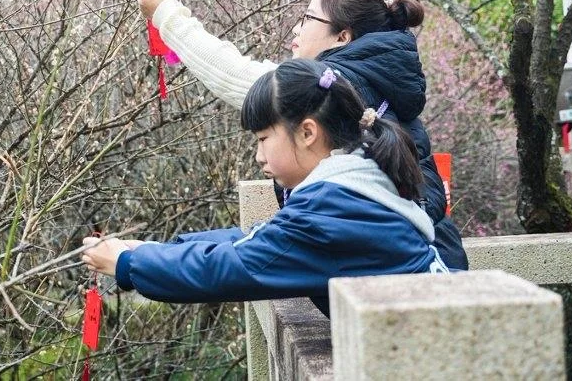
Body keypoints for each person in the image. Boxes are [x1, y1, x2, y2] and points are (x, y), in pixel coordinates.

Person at [134, 0, 468, 270]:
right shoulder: (379, 80)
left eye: (308, 18)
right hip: (436, 262)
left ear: (342, 37)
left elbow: (232, 73)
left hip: (405, 285)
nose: (296, 29)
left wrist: (166, 14)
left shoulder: (332, 85)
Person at [82, 60, 450, 311]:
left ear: (307, 132)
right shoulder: (353, 184)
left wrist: (129, 264)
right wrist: (156, 250)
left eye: (263, 138)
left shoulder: (331, 208)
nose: (259, 156)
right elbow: (257, 238)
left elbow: (232, 266)